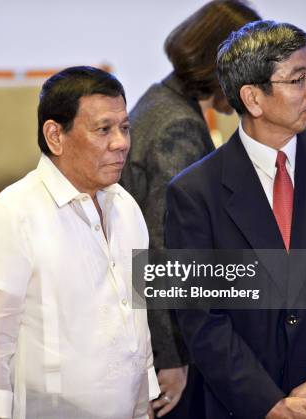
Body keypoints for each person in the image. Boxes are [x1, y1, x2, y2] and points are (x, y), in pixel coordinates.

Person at [165, 20, 306, 418]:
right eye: (298, 79)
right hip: (243, 405)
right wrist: (268, 403)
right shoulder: (193, 193)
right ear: (252, 98)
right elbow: (201, 320)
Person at [0, 66, 160, 419]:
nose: (122, 143)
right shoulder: (9, 218)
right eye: (104, 129)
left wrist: (144, 404)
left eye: (124, 128)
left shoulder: (126, 207)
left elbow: (137, 320)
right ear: (55, 135)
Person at [120, 1, 261, 416]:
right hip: (170, 348)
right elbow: (163, 254)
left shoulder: (157, 100)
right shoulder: (176, 126)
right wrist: (170, 358)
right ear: (217, 63)